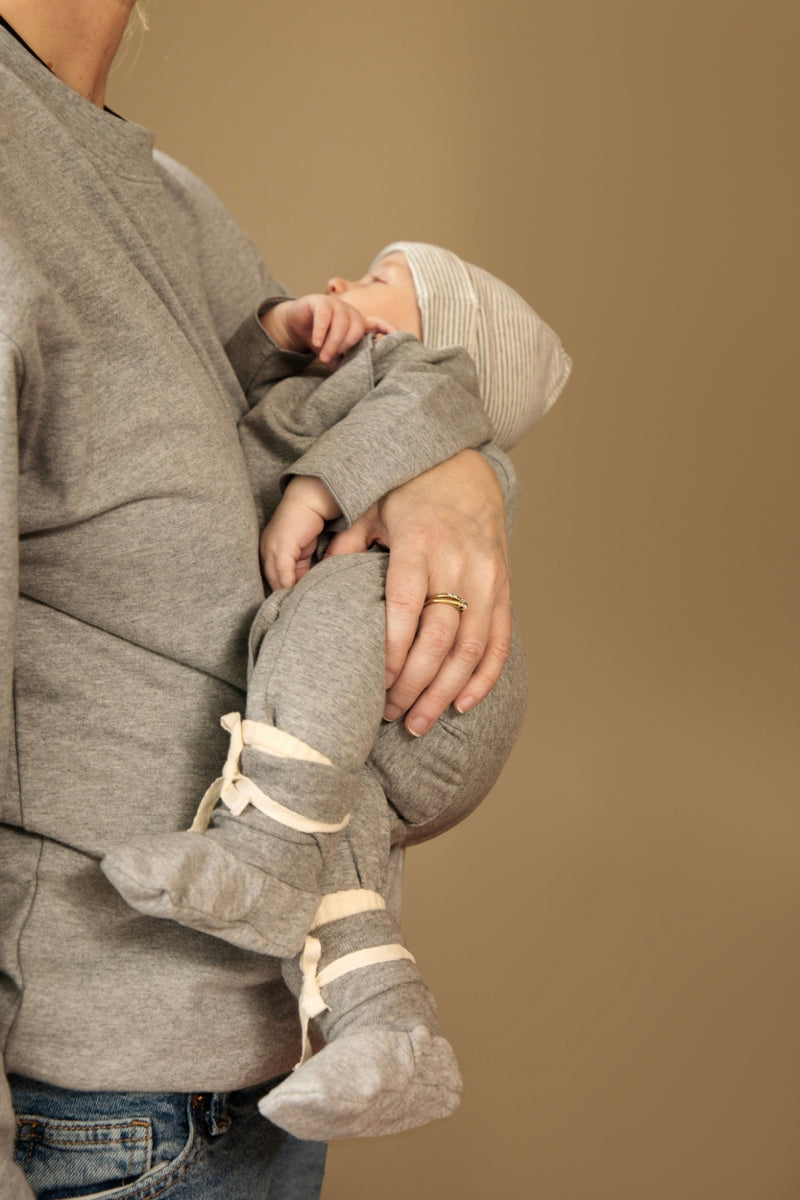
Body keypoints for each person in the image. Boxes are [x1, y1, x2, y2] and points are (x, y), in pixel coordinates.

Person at [0, 3, 566, 1197]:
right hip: (115, 1088)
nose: (336, 296)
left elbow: (373, 394)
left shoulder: (157, 191)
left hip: (257, 1051)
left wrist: (457, 474)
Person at [100, 242, 571, 1143]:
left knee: (333, 603)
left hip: (436, 689)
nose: (347, 285)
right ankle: (388, 1031)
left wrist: (322, 485)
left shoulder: (423, 388)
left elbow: (432, 388)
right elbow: (223, 386)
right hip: (369, 729)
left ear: (447, 347)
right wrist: (278, 330)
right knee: (336, 826)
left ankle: (266, 852)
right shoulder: (305, 394)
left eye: (383, 283)